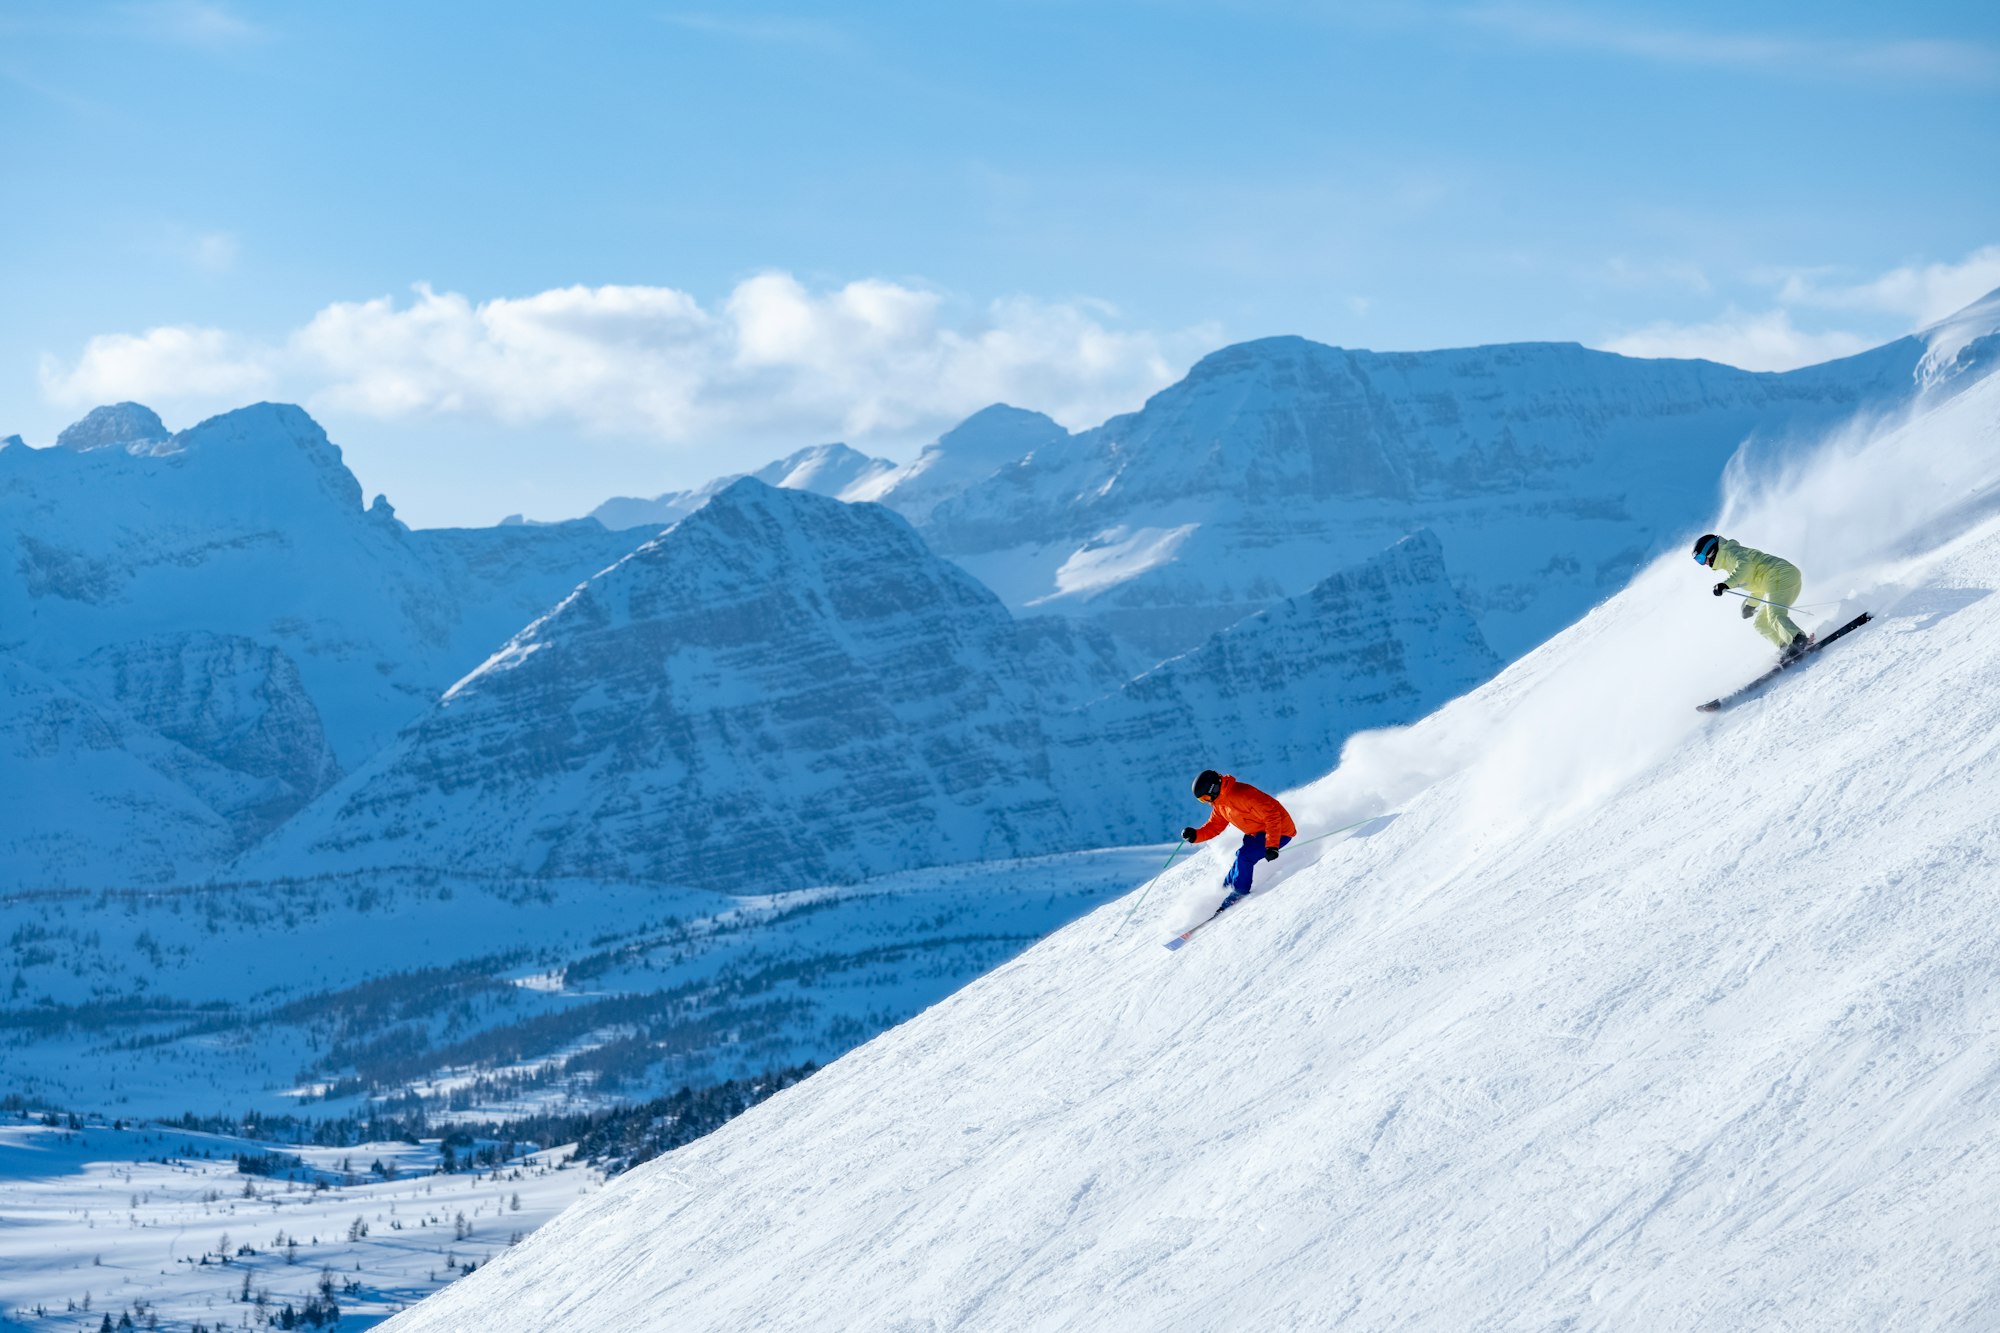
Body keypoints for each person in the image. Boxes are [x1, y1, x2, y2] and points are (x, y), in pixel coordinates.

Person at [1181, 769, 1298, 915]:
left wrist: (1272, 845)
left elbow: (1272, 816)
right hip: (1257, 832)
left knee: (1245, 857)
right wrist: (1195, 835)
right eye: (1201, 800)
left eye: (1205, 798)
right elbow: (1214, 826)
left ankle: (1239, 893)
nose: (1206, 802)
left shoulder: (1243, 795)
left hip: (1280, 831)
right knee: (1240, 857)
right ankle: (1224, 890)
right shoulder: (1220, 804)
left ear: (1213, 789)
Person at [1692, 533, 1810, 662]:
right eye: (1699, 561)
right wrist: (1750, 605)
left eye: (1701, 558)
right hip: (1780, 580)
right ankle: (1786, 646)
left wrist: (1726, 584)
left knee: (1775, 615)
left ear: (1710, 550)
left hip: (1780, 575)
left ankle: (1798, 639)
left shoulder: (1730, 551)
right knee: (1760, 623)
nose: (1704, 564)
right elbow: (1757, 587)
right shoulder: (1730, 564)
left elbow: (1745, 566)